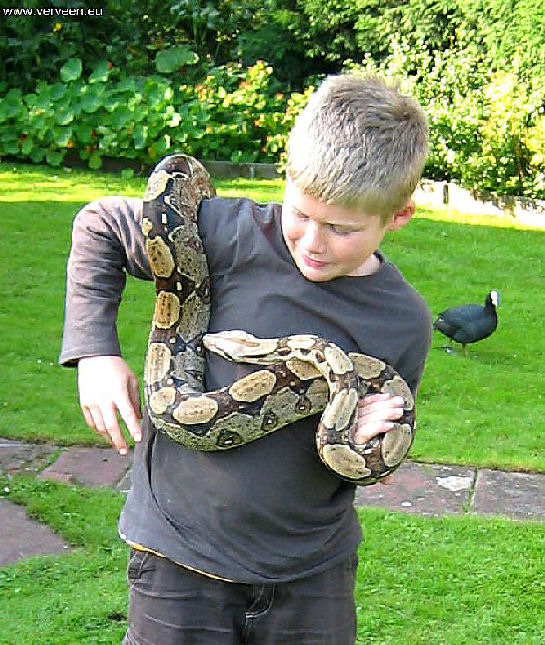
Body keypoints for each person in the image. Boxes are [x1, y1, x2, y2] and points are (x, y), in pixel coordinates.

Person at [60, 74, 432, 645]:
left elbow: (366, 450)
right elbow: (99, 228)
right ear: (286, 178)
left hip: (311, 573)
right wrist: (94, 352)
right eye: (301, 213)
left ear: (399, 216)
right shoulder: (227, 234)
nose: (312, 241)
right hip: (178, 560)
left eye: (341, 229)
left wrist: (368, 436)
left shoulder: (402, 321)